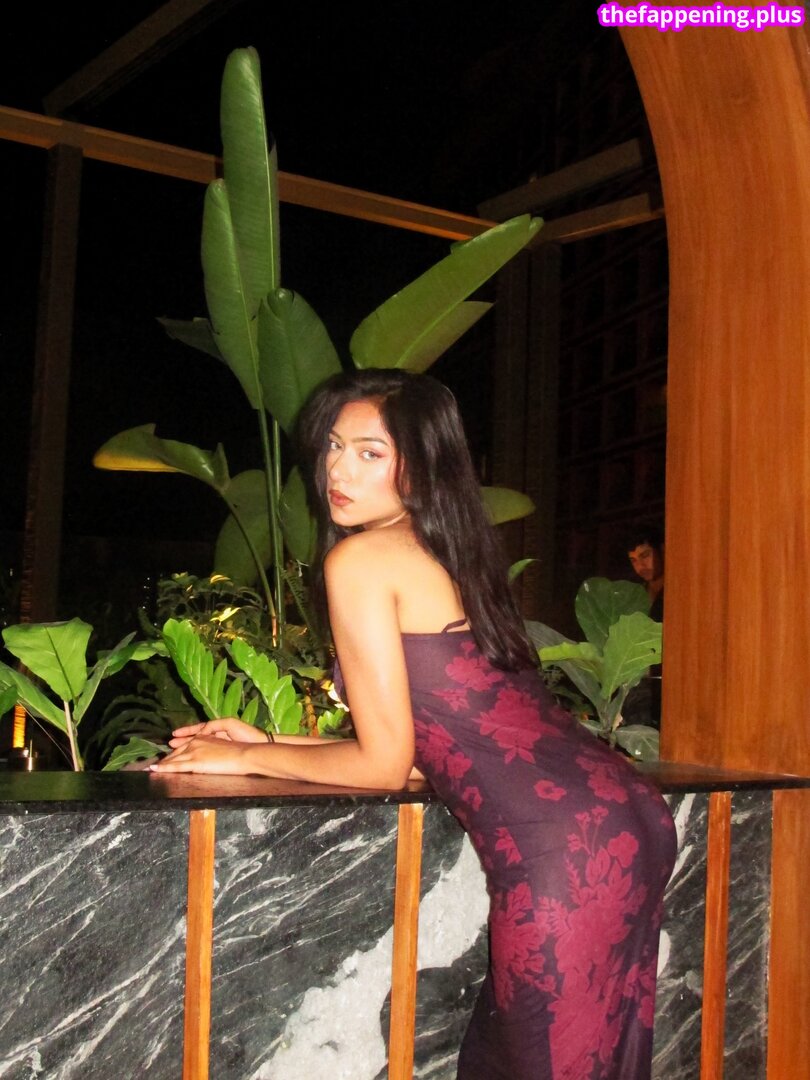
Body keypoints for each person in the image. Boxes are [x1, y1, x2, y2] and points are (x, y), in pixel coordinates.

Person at [152, 369, 677, 1079]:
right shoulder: (450, 551)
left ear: (421, 464)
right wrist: (266, 742)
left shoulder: (361, 560)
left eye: (370, 453)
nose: (338, 471)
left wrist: (246, 763)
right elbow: (440, 740)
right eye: (333, 447)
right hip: (623, 818)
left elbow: (383, 766)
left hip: (566, 850)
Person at [626, 524, 665, 621]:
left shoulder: (678, 591)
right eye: (633, 560)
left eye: (645, 555)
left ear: (663, 549)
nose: (640, 566)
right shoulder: (634, 597)